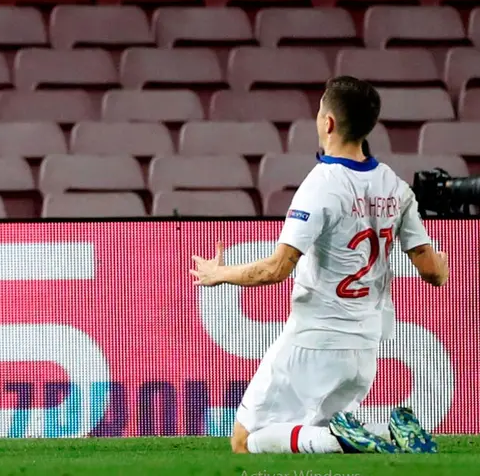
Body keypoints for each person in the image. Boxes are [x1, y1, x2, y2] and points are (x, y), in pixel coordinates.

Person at [190, 75, 449, 455]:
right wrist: (441, 262)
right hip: (365, 346)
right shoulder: (395, 187)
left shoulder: (321, 184)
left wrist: (219, 274)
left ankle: (357, 439)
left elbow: (277, 268)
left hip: (315, 338)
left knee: (245, 440)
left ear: (328, 122)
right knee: (315, 430)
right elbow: (433, 273)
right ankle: (389, 430)